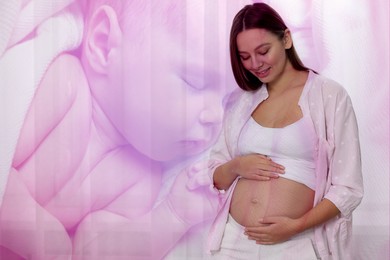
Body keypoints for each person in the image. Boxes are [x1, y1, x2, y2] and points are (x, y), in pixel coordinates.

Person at [0, 0, 247, 259]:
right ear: (104, 44)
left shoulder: (139, 180)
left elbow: (91, 252)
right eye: (195, 82)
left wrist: (173, 216)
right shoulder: (61, 86)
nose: (216, 116)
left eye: (226, 100)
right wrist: (45, 238)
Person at [206, 3, 363, 260]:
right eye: (244, 57)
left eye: (263, 51)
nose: (255, 64)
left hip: (295, 244)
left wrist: (296, 226)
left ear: (286, 39)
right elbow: (215, 175)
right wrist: (236, 166)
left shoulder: (329, 95)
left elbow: (348, 187)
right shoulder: (241, 102)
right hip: (233, 242)